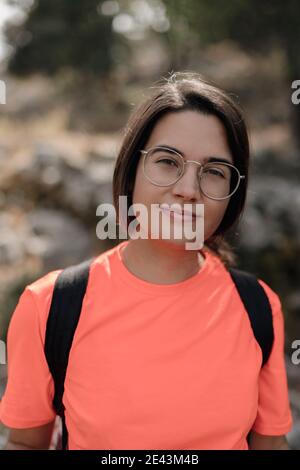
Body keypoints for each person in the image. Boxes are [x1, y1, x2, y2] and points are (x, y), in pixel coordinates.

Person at [0, 72, 293, 450]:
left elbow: (271, 444)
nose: (188, 190)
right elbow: (26, 444)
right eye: (168, 162)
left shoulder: (258, 306)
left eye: (215, 172)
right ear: (131, 170)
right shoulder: (50, 306)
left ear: (232, 196)